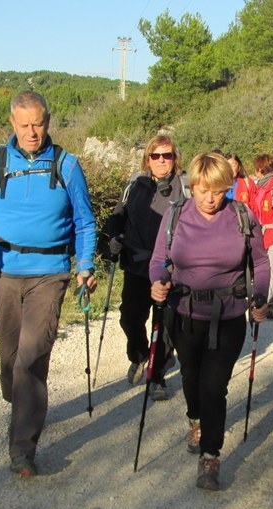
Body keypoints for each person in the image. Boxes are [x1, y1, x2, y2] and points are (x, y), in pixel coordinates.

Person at [0, 91, 97, 477]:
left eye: (39, 123)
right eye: (25, 124)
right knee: (10, 355)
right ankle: (17, 397)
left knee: (31, 356)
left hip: (50, 272)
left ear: (48, 121)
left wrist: (85, 264)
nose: (33, 132)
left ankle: (23, 448)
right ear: (12, 123)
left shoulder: (67, 165)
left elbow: (85, 219)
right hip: (2, 270)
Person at [149, 152, 270, 491]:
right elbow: (160, 259)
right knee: (190, 376)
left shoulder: (242, 216)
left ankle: (210, 455)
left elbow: (260, 263)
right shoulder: (175, 215)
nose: (210, 199)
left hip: (228, 315)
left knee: (214, 385)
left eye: (218, 191)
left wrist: (259, 296)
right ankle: (195, 418)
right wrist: (158, 281)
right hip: (183, 313)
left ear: (227, 187)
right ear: (192, 187)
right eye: (202, 190)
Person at [106, 135, 186, 400]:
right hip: (137, 267)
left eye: (167, 155)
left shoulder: (185, 187)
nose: (161, 161)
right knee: (130, 318)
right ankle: (139, 355)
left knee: (163, 326)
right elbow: (117, 218)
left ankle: (157, 377)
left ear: (175, 159)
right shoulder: (134, 184)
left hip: (169, 269)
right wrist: (114, 238)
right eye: (156, 155)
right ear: (147, 158)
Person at [251, 153, 273, 319]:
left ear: (261, 169)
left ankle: (266, 304)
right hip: (262, 234)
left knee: (272, 269)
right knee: (265, 269)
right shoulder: (263, 186)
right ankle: (265, 303)